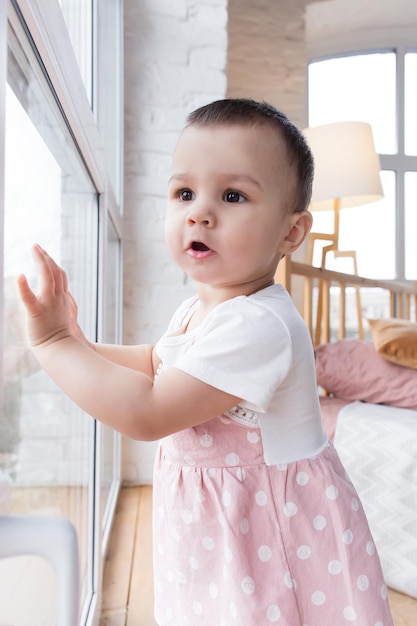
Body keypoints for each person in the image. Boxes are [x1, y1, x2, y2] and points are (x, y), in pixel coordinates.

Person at [17, 98, 393, 626]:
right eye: (184, 192)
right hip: (223, 529)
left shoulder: (259, 326)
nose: (199, 211)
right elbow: (155, 365)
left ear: (291, 232)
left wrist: (56, 342)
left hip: (269, 535)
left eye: (233, 195)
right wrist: (74, 344)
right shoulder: (202, 308)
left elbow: (147, 411)